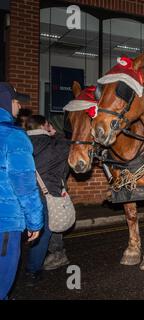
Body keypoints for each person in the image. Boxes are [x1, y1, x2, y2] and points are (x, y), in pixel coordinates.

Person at [0, 82, 43, 299]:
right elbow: (25, 186)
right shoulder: (14, 137)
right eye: (16, 102)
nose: (19, 107)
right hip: (5, 223)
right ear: (6, 103)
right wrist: (35, 222)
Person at [24, 115, 71, 282]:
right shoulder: (55, 144)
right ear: (45, 126)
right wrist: (56, 134)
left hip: (22, 195)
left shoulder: (22, 142)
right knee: (42, 234)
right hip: (46, 196)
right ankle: (32, 270)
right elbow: (67, 150)